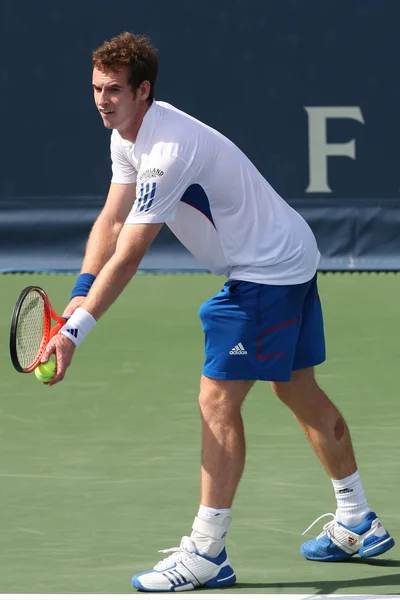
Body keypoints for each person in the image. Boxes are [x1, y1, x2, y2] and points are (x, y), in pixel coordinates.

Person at [41, 31, 395, 592]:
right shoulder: (127, 136)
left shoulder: (167, 148)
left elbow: (130, 253)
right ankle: (357, 519)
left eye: (113, 90)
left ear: (144, 91)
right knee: (295, 386)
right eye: (96, 89)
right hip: (292, 253)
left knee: (216, 398)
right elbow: (111, 220)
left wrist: (75, 333)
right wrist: (80, 292)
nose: (102, 100)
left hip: (266, 271)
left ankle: (207, 553)